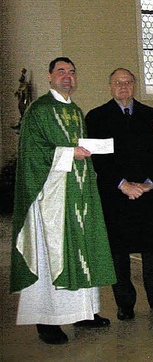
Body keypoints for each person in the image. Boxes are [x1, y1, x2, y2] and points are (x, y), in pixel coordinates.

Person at [11, 57, 115, 345]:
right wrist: (70, 153)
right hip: (51, 197)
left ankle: (83, 311)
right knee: (52, 253)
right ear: (49, 77)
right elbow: (33, 152)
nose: (67, 77)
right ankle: (47, 320)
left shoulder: (76, 111)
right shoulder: (39, 110)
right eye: (61, 72)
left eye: (71, 72)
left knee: (81, 251)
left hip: (78, 193)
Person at [86, 68, 153, 321]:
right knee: (118, 251)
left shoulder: (151, 116)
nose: (123, 87)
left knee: (150, 250)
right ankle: (125, 304)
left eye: (128, 82)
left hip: (145, 192)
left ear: (134, 85)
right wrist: (122, 184)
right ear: (110, 86)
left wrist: (148, 182)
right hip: (115, 193)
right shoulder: (96, 117)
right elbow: (98, 159)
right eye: (118, 83)